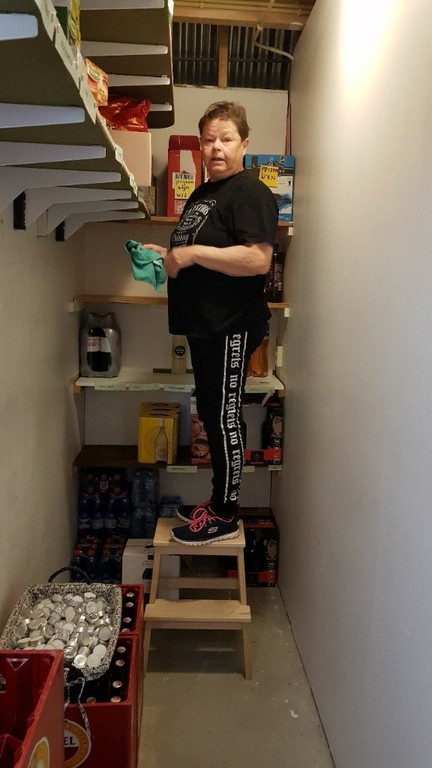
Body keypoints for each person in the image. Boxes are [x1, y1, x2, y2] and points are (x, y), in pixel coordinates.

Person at [143, 101, 278, 546]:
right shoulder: (204, 194)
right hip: (205, 325)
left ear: (244, 143)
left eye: (226, 139)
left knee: (223, 417)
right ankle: (218, 499)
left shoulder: (250, 193)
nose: (216, 147)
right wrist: (168, 256)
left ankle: (225, 513)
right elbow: (197, 257)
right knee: (212, 413)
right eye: (208, 140)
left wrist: (193, 253)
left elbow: (257, 260)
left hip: (231, 325)